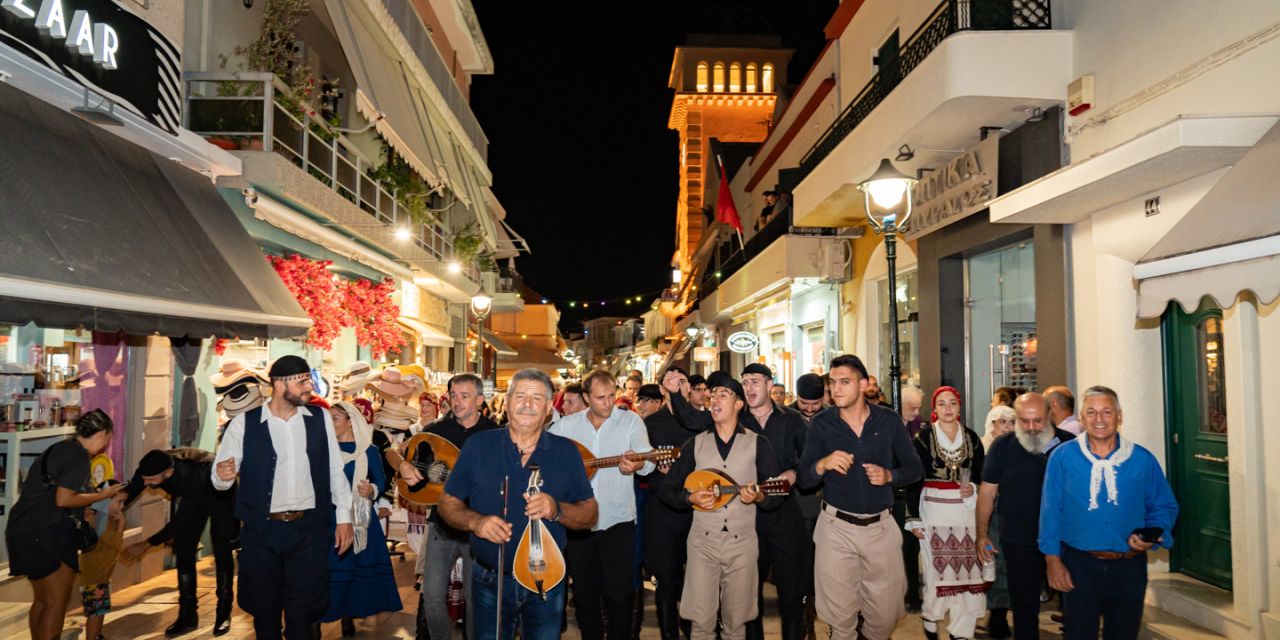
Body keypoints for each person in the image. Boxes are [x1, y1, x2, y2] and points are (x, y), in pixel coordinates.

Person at [438, 368, 599, 640]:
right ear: (508, 401)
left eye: (536, 398)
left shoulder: (567, 451)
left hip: (547, 581)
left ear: (549, 407)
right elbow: (447, 501)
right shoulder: (479, 445)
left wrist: (557, 509)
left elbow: (590, 514)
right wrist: (475, 522)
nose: (527, 404)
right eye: (520, 396)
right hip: (489, 579)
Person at [212, 355, 355, 640]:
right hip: (261, 533)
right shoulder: (244, 424)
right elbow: (219, 480)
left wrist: (343, 519)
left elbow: (334, 470)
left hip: (308, 532)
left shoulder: (319, 419)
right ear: (279, 384)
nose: (309, 387)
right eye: (302, 381)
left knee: (302, 616)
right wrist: (223, 475)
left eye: (308, 380)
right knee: (265, 615)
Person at [798, 355, 923, 640]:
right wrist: (823, 463)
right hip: (836, 529)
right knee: (840, 622)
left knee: (885, 617)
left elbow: (915, 469)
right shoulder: (821, 424)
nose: (836, 389)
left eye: (845, 382)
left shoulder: (888, 421)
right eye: (832, 382)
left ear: (863, 384)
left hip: (880, 528)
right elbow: (804, 478)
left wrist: (889, 476)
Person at [1038, 386, 1179, 640]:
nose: (1098, 419)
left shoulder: (1142, 459)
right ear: (1081, 418)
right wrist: (1052, 561)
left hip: (1129, 566)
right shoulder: (1062, 457)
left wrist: (1153, 532)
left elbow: (1163, 506)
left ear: (1120, 416)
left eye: (1106, 412)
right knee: (1079, 634)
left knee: (1124, 634)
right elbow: (1050, 511)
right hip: (1078, 564)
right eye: (1091, 412)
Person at [659, 372, 783, 640]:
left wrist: (760, 497)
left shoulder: (757, 444)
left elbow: (776, 493)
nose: (713, 399)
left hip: (743, 543)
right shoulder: (695, 444)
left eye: (722, 395)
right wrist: (689, 498)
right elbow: (667, 490)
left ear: (739, 404)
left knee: (736, 624)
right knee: (701, 623)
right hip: (702, 543)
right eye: (711, 395)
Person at [551, 369, 654, 640]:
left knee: (619, 594)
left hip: (617, 521)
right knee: (585, 595)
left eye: (611, 396)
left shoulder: (630, 421)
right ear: (586, 397)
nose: (608, 403)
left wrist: (639, 462)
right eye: (600, 398)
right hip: (578, 524)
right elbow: (547, 462)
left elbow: (649, 462)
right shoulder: (565, 426)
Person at [5, 410, 124, 640]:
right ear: (101, 434)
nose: (106, 444)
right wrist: (103, 496)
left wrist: (86, 505)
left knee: (42, 599)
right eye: (108, 439)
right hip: (48, 533)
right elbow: (64, 499)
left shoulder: (61, 448)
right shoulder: (78, 456)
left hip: (23, 529)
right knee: (56, 602)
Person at [977, 395, 1073, 640]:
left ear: (1049, 413)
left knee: (1074, 605)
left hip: (1066, 539)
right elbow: (987, 493)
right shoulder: (1002, 446)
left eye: (1037, 421)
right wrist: (982, 534)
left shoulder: (1070, 444)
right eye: (1024, 421)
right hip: (1019, 540)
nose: (1031, 427)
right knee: (1024, 608)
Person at [412, 373, 501, 640]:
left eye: (465, 396)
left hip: (478, 527)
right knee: (432, 596)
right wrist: (403, 464)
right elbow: (401, 454)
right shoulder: (437, 431)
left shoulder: (495, 434)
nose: (458, 402)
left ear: (480, 400)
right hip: (442, 525)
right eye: (454, 395)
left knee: (476, 601)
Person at [120, 447, 241, 636]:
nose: (146, 483)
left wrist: (146, 544)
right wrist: (120, 500)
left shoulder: (190, 477)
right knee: (184, 548)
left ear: (168, 473)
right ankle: (187, 616)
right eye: (145, 478)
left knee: (221, 547)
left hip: (219, 492)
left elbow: (180, 522)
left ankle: (223, 613)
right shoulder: (152, 467)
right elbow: (137, 483)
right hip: (194, 495)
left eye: (151, 480)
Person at [904, 387, 986, 640]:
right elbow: (914, 479)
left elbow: (982, 477)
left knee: (968, 572)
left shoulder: (972, 438)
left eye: (952, 403)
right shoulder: (923, 438)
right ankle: (931, 617)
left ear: (959, 407)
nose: (948, 408)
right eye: (942, 404)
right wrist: (913, 517)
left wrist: (972, 488)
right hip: (933, 511)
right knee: (936, 572)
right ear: (935, 409)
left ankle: (962, 632)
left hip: (966, 513)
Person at [738, 363, 810, 640]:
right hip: (746, 513)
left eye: (755, 382)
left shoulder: (791, 419)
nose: (749, 388)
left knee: (792, 588)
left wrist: (793, 474)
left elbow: (810, 460)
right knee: (749, 590)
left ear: (770, 385)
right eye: (745, 383)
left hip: (784, 512)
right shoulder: (737, 420)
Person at [323, 401, 402, 635]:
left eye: (335, 418)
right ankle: (324, 614)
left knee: (353, 567)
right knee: (330, 567)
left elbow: (381, 479)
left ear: (349, 421)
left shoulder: (367, 450)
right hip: (329, 517)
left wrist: (372, 491)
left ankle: (348, 614)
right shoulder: (324, 449)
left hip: (360, 517)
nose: (331, 422)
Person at [645, 369, 702, 640]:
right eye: (671, 383)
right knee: (665, 578)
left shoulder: (700, 420)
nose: (678, 387)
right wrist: (657, 468)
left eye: (683, 382)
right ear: (663, 390)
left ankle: (692, 627)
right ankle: (669, 633)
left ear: (689, 389)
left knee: (695, 575)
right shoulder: (650, 423)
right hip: (662, 508)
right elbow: (642, 465)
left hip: (696, 509)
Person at [977, 405, 1018, 639]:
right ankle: (997, 614)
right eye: (1002, 422)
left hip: (1015, 512)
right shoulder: (981, 447)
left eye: (1012, 422)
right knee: (995, 561)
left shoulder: (1021, 447)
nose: (1007, 427)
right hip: (990, 512)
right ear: (991, 424)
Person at [79, 481, 127, 640]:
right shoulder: (101, 518)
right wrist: (121, 525)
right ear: (106, 500)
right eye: (119, 502)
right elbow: (113, 543)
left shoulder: (103, 516)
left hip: (99, 575)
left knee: (99, 610)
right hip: (94, 576)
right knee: (95, 612)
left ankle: (96, 635)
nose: (122, 506)